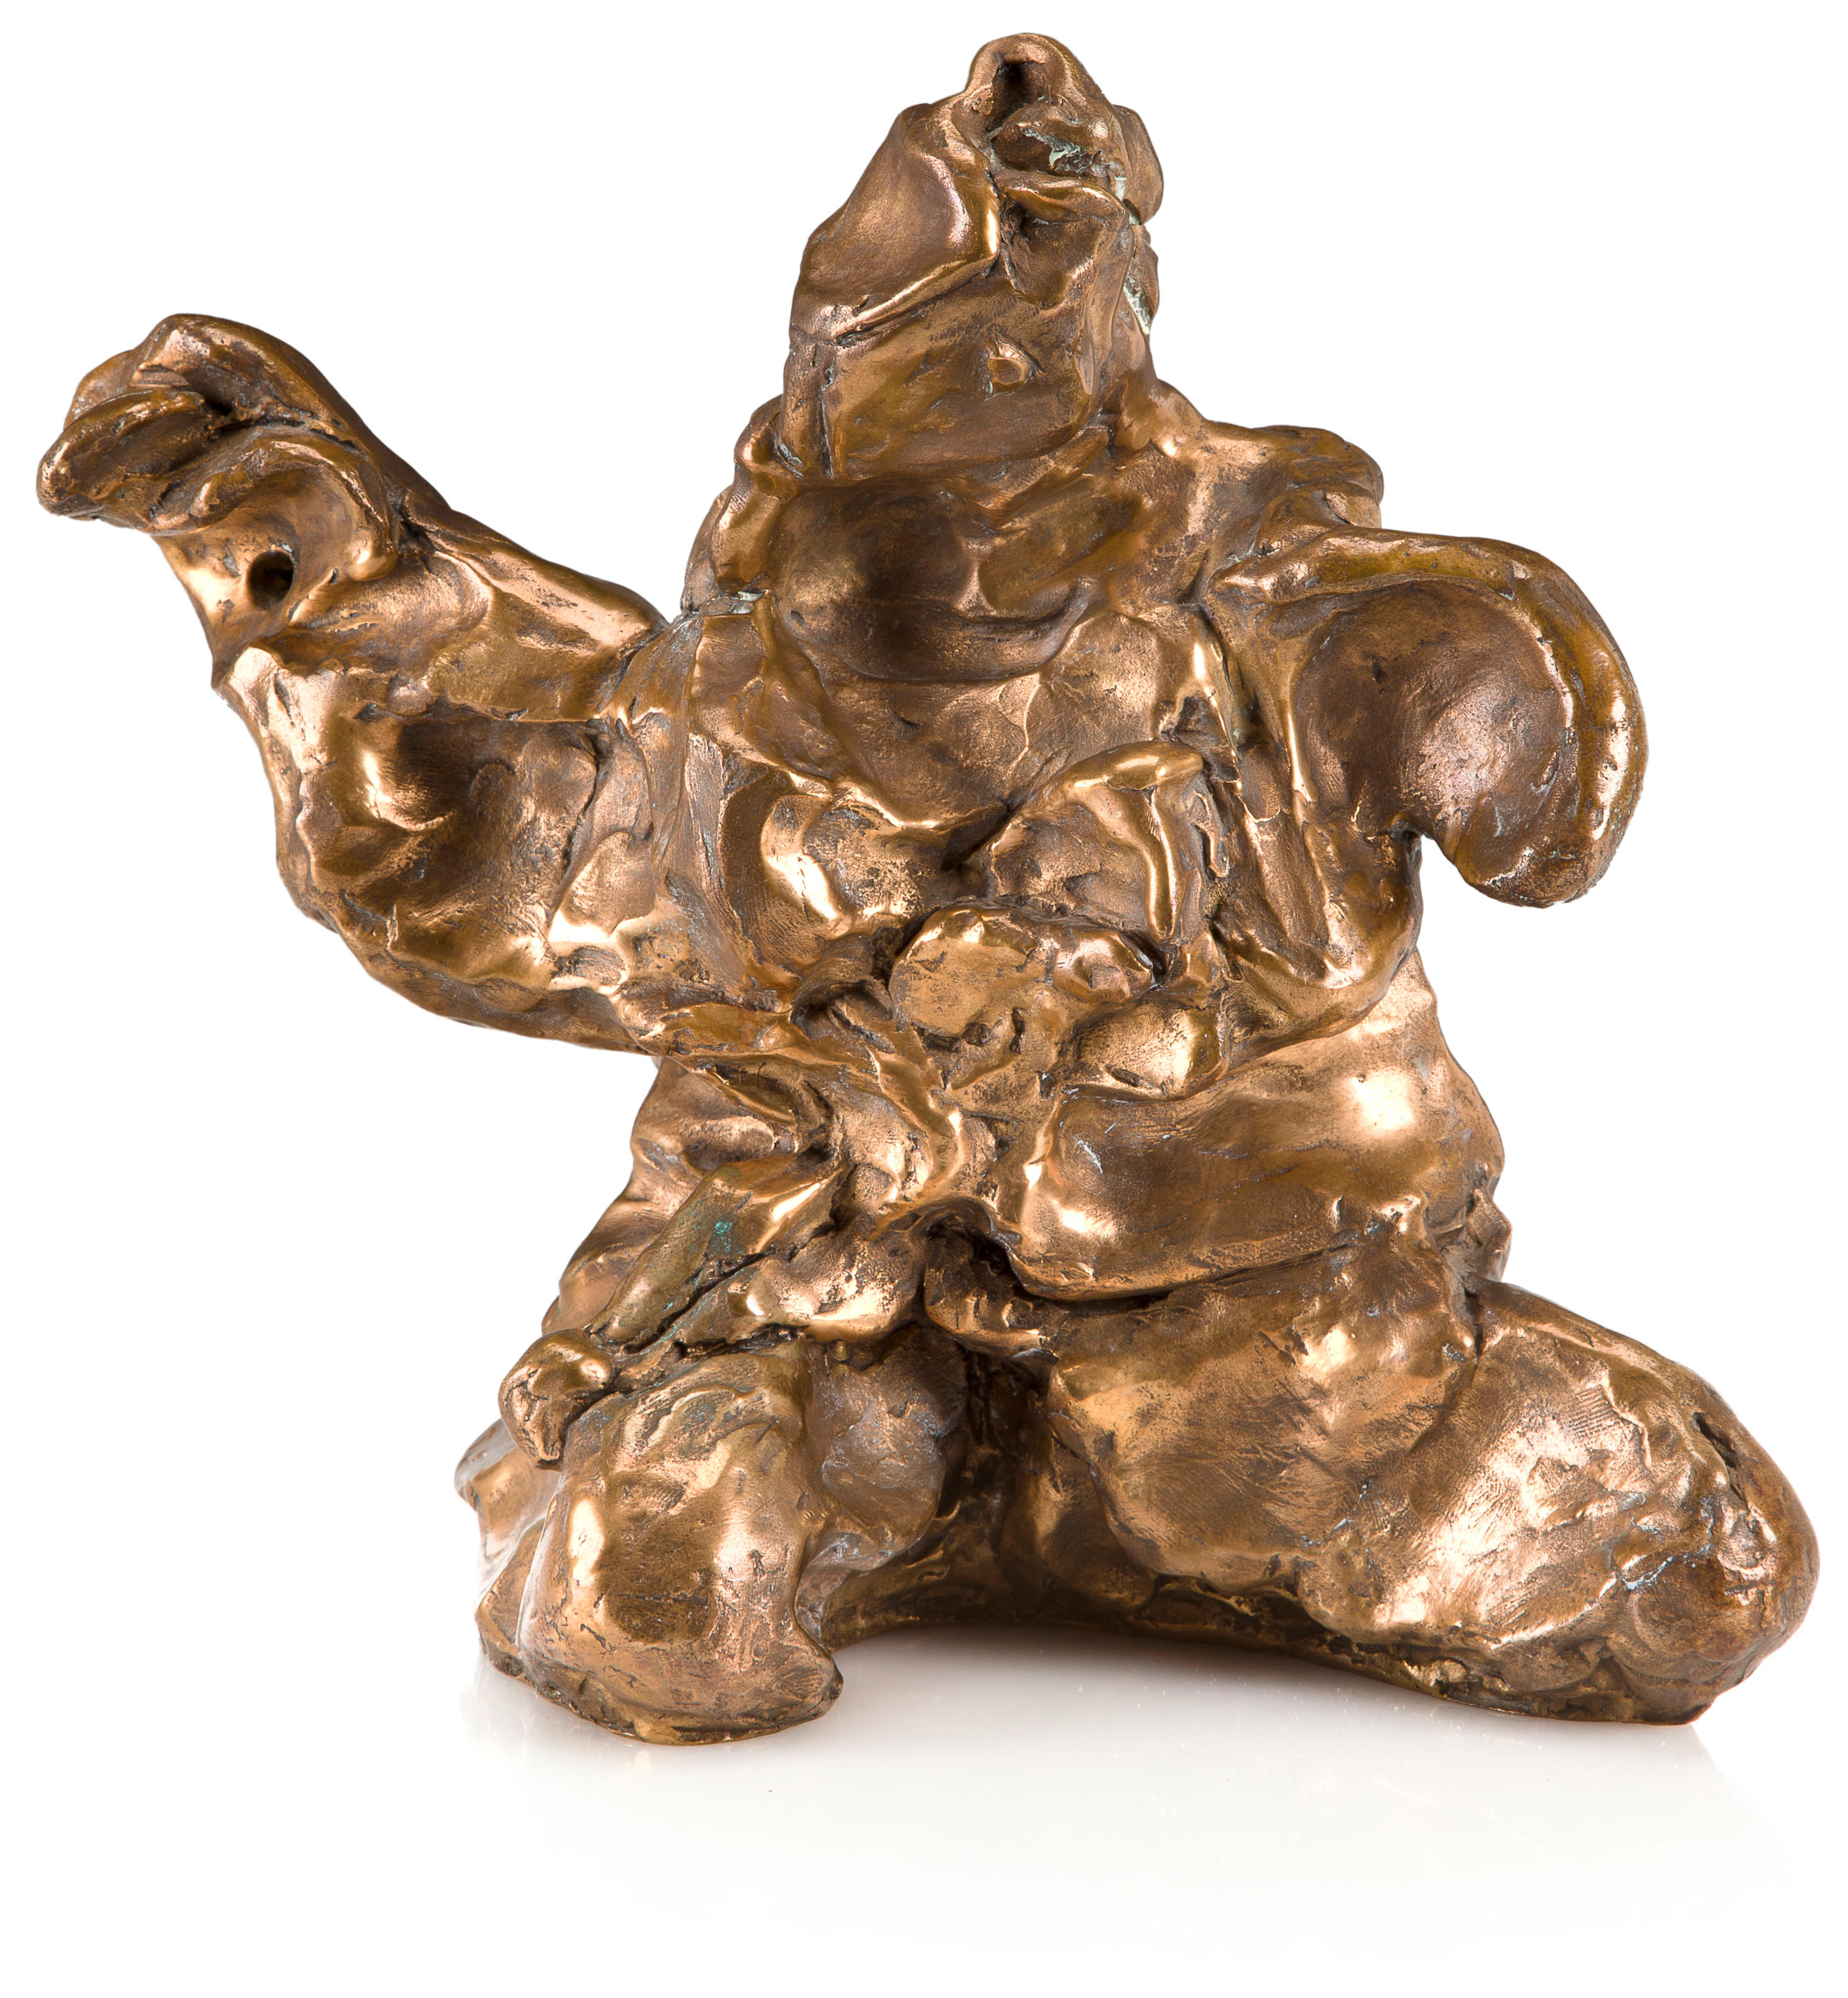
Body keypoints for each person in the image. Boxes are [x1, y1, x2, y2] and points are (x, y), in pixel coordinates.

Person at [41, 32, 1814, 1743]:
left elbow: (1501, 849)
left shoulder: (1297, 649)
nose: (953, 558)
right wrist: (298, 531)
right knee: (656, 1600)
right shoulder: (728, 721)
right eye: (885, 498)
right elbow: (502, 823)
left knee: (1704, 1570)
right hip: (845, 1336)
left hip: (1294, 1337)